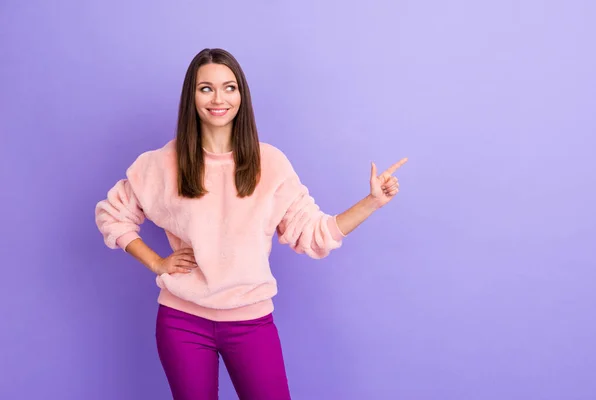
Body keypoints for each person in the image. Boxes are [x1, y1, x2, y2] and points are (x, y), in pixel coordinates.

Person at [94, 48, 407, 400]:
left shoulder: (270, 163)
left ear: (241, 95)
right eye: (206, 88)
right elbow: (113, 213)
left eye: (229, 87)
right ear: (191, 97)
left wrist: (372, 202)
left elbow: (315, 233)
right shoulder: (163, 163)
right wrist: (156, 262)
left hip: (250, 323)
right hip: (182, 322)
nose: (218, 98)